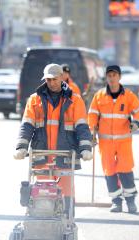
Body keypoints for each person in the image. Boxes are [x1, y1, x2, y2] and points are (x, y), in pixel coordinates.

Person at [14, 63, 93, 214]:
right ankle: (38, 227)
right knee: (41, 195)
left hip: (65, 157)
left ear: (62, 77)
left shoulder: (75, 100)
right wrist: (21, 147)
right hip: (41, 156)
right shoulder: (34, 100)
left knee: (66, 195)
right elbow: (27, 125)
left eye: (54, 79)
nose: (51, 83)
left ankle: (67, 222)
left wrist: (85, 149)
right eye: (48, 80)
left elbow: (82, 126)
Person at [88, 65, 139, 213]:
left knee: (125, 169)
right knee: (109, 171)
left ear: (119, 77)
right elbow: (92, 115)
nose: (112, 78)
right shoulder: (99, 96)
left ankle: (131, 201)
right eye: (109, 75)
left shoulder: (129, 96)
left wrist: (136, 124)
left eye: (114, 75)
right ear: (107, 77)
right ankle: (116, 202)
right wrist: (92, 132)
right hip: (105, 142)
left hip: (123, 141)